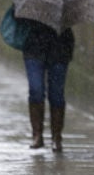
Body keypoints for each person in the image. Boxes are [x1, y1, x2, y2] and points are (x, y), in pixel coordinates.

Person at [22, 18, 75, 153]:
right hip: (34, 48)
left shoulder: (66, 0)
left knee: (57, 94)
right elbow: (18, 16)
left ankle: (56, 137)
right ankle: (37, 135)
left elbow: (73, 18)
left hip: (60, 48)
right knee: (36, 90)